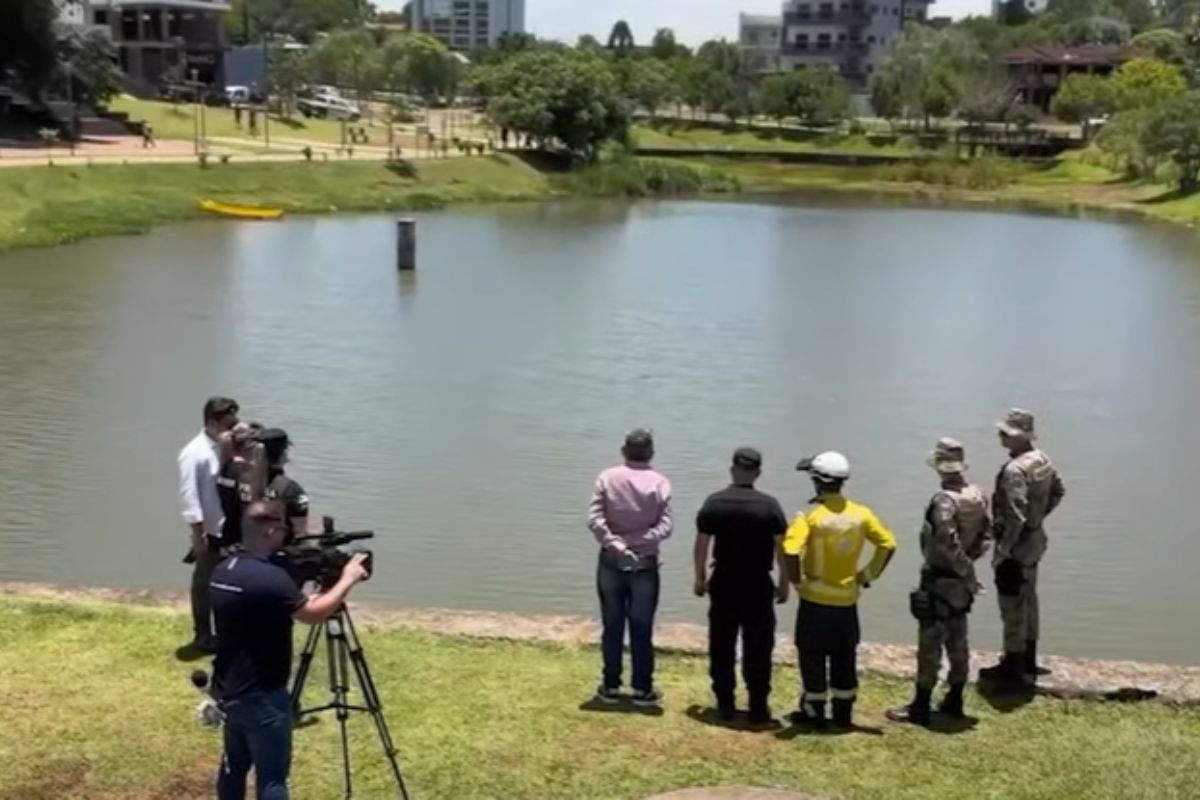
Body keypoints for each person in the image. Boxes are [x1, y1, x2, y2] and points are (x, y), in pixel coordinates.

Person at [210, 500, 370, 800]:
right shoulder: (270, 578)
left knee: (233, 766)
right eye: (283, 528)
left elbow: (269, 606)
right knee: (272, 779)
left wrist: (320, 588)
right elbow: (312, 614)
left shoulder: (223, 569)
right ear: (270, 529)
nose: (286, 535)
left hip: (229, 688)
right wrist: (346, 579)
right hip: (264, 694)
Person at [783, 451, 896, 730]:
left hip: (814, 601)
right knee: (845, 657)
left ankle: (814, 711)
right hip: (847, 603)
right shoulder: (861, 515)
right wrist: (867, 575)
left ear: (816, 482)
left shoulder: (810, 517)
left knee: (812, 656)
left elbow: (790, 550)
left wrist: (797, 582)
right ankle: (843, 713)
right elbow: (888, 543)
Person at [887, 439, 991, 726]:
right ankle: (954, 699)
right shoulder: (978, 495)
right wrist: (970, 568)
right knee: (959, 642)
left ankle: (920, 706)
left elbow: (946, 542)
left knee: (930, 645)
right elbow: (986, 536)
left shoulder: (944, 500)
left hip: (941, 579)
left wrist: (963, 570)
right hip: (961, 583)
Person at [693, 447, 790, 724]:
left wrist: (700, 578)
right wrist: (784, 584)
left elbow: (702, 546)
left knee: (722, 644)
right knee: (758, 646)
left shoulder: (714, 503)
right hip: (758, 583)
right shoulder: (769, 506)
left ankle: (725, 704)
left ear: (732, 470)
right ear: (757, 473)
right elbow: (782, 549)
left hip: (724, 581)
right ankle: (758, 707)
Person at [979, 409, 1066, 687]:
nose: (1001, 437)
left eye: (1006, 433)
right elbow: (1058, 491)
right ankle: (1028, 658)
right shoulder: (1042, 460)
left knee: (1012, 604)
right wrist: (1038, 519)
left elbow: (1015, 514)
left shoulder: (1015, 470)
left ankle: (1013, 667)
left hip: (1016, 546)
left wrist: (1003, 550)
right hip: (1035, 540)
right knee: (1030, 599)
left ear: (1021, 437)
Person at [588, 429, 673, 707]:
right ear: (651, 452)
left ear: (624, 450)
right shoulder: (660, 483)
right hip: (645, 564)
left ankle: (610, 686)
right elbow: (665, 526)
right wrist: (638, 543)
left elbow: (595, 519)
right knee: (641, 626)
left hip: (611, 561)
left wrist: (617, 544)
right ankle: (642, 689)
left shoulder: (607, 477)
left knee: (612, 625)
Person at [178, 396, 240, 658]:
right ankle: (203, 636)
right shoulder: (195, 453)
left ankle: (226, 634)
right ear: (213, 422)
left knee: (228, 583)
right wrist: (197, 533)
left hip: (227, 530)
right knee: (203, 585)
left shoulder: (220, 447)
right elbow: (189, 495)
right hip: (210, 532)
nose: (233, 429)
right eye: (229, 424)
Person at [216, 422, 265, 549]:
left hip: (223, 532)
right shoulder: (245, 474)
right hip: (239, 539)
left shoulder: (224, 466)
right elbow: (249, 507)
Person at [259, 428, 309, 542]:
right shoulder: (292, 490)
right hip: (278, 553)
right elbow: (300, 533)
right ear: (284, 453)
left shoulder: (243, 480)